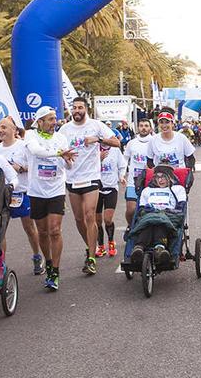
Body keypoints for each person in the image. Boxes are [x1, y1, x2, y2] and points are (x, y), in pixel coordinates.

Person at [58, 97, 121, 275]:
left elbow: (116, 142)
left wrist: (98, 139)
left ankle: (92, 257)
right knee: (79, 219)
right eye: (74, 108)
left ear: (86, 109)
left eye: (80, 107)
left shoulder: (96, 125)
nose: (77, 110)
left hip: (91, 178)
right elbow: (59, 151)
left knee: (89, 215)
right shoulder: (64, 129)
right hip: (72, 178)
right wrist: (63, 155)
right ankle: (90, 247)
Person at [25, 106, 76, 291]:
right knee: (43, 232)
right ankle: (47, 261)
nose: (55, 122)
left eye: (55, 119)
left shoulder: (61, 138)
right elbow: (37, 151)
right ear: (39, 122)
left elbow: (68, 167)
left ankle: (54, 270)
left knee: (55, 230)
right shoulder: (30, 136)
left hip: (56, 189)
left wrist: (68, 160)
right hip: (36, 191)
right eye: (50, 119)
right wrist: (58, 153)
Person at [0, 117, 43, 276]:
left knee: (29, 227)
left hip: (23, 192)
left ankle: (37, 256)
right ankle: (2, 265)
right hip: (4, 194)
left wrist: (20, 168)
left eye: (4, 127)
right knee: (2, 230)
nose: (1, 130)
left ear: (14, 130)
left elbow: (35, 167)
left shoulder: (23, 146)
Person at [129, 166, 187, 266]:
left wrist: (165, 212)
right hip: (149, 216)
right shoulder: (146, 191)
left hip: (169, 216)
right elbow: (141, 209)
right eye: (157, 177)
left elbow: (180, 209)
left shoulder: (178, 189)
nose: (160, 180)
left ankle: (159, 249)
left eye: (163, 177)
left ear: (170, 177)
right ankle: (139, 249)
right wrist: (153, 212)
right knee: (149, 222)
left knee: (160, 222)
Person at [96, 144, 126, 257]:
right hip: (96, 189)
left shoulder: (115, 150)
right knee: (97, 221)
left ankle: (111, 242)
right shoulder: (94, 149)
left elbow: (122, 165)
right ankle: (101, 246)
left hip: (111, 188)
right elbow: (87, 166)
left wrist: (121, 176)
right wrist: (99, 158)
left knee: (107, 219)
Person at [123, 119, 153, 226]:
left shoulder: (154, 142)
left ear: (150, 128)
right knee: (131, 210)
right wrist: (122, 174)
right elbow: (125, 159)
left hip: (150, 182)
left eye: (146, 126)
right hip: (133, 182)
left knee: (148, 210)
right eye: (141, 125)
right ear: (137, 128)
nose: (143, 128)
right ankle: (131, 227)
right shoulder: (132, 143)